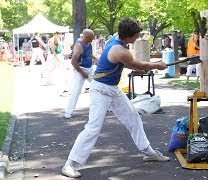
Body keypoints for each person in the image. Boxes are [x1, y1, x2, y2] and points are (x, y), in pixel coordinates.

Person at [61, 18, 169, 178]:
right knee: (93, 128)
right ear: (129, 36)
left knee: (133, 117)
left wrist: (140, 68)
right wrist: (157, 65)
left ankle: (148, 152)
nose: (137, 38)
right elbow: (140, 65)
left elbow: (127, 63)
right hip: (101, 91)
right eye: (136, 35)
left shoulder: (116, 39)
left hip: (112, 89)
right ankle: (69, 165)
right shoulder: (120, 50)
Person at [64, 29, 98, 119]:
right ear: (86, 37)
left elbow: (89, 54)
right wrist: (82, 73)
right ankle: (68, 111)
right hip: (81, 69)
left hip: (89, 68)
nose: (92, 40)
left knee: (98, 86)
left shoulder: (89, 44)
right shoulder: (79, 45)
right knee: (76, 90)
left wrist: (97, 59)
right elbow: (73, 62)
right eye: (91, 38)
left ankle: (103, 107)